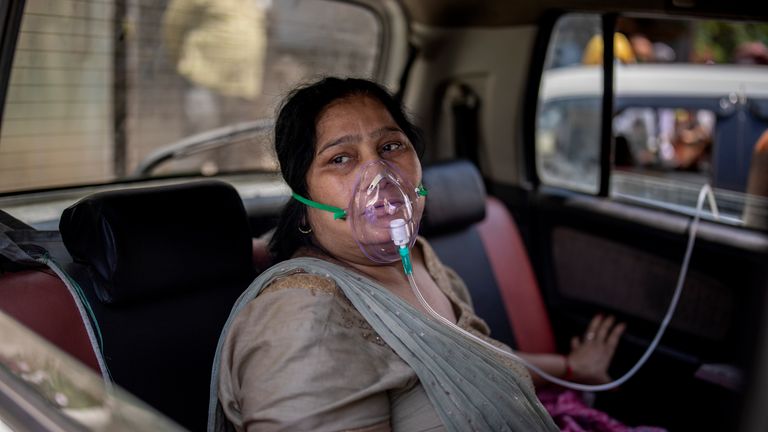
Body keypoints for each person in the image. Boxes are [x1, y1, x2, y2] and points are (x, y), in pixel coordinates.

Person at [208, 77, 626, 431]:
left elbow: (477, 355)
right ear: (305, 195)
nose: (379, 176)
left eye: (391, 147)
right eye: (341, 158)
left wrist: (571, 367)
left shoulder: (418, 259)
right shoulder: (301, 321)